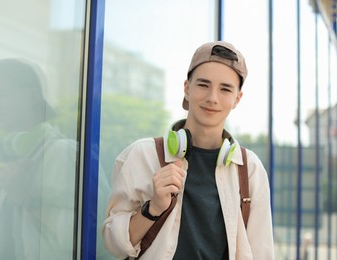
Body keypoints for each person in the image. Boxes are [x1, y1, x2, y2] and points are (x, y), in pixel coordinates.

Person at [102, 41, 274, 259]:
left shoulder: (249, 169)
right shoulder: (142, 155)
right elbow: (113, 244)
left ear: (237, 99)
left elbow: (261, 252)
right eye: (203, 85)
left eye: (225, 89)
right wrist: (153, 208)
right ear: (187, 88)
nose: (212, 97)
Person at [0, 58, 77, 260]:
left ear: (32, 95)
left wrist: (27, 198)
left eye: (1, 95)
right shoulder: (18, 158)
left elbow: (89, 235)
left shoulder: (62, 153)